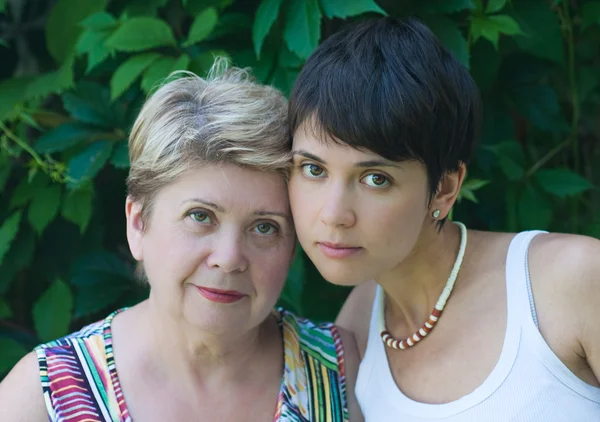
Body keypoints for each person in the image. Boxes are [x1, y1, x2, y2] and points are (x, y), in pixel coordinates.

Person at [0, 62, 361, 422]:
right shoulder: (42, 400)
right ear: (138, 224)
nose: (229, 258)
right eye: (200, 217)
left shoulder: (340, 371)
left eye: (265, 227)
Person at [286, 17, 600, 421]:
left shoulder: (567, 282)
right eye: (313, 170)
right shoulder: (358, 325)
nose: (332, 215)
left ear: (445, 188)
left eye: (375, 178)